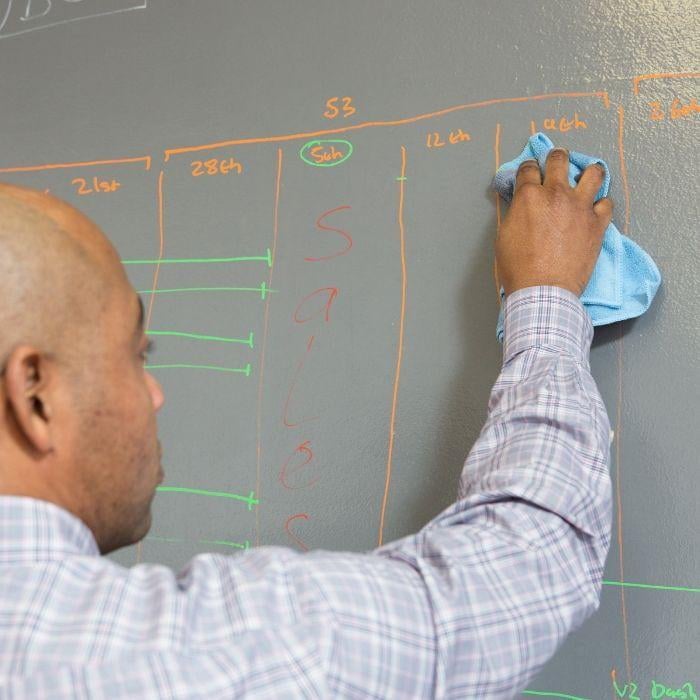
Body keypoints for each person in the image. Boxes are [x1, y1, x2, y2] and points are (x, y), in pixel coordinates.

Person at [0, 149, 613, 699]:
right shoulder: (168, 655)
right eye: (137, 355)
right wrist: (545, 294)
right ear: (36, 397)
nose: (154, 394)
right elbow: (513, 575)